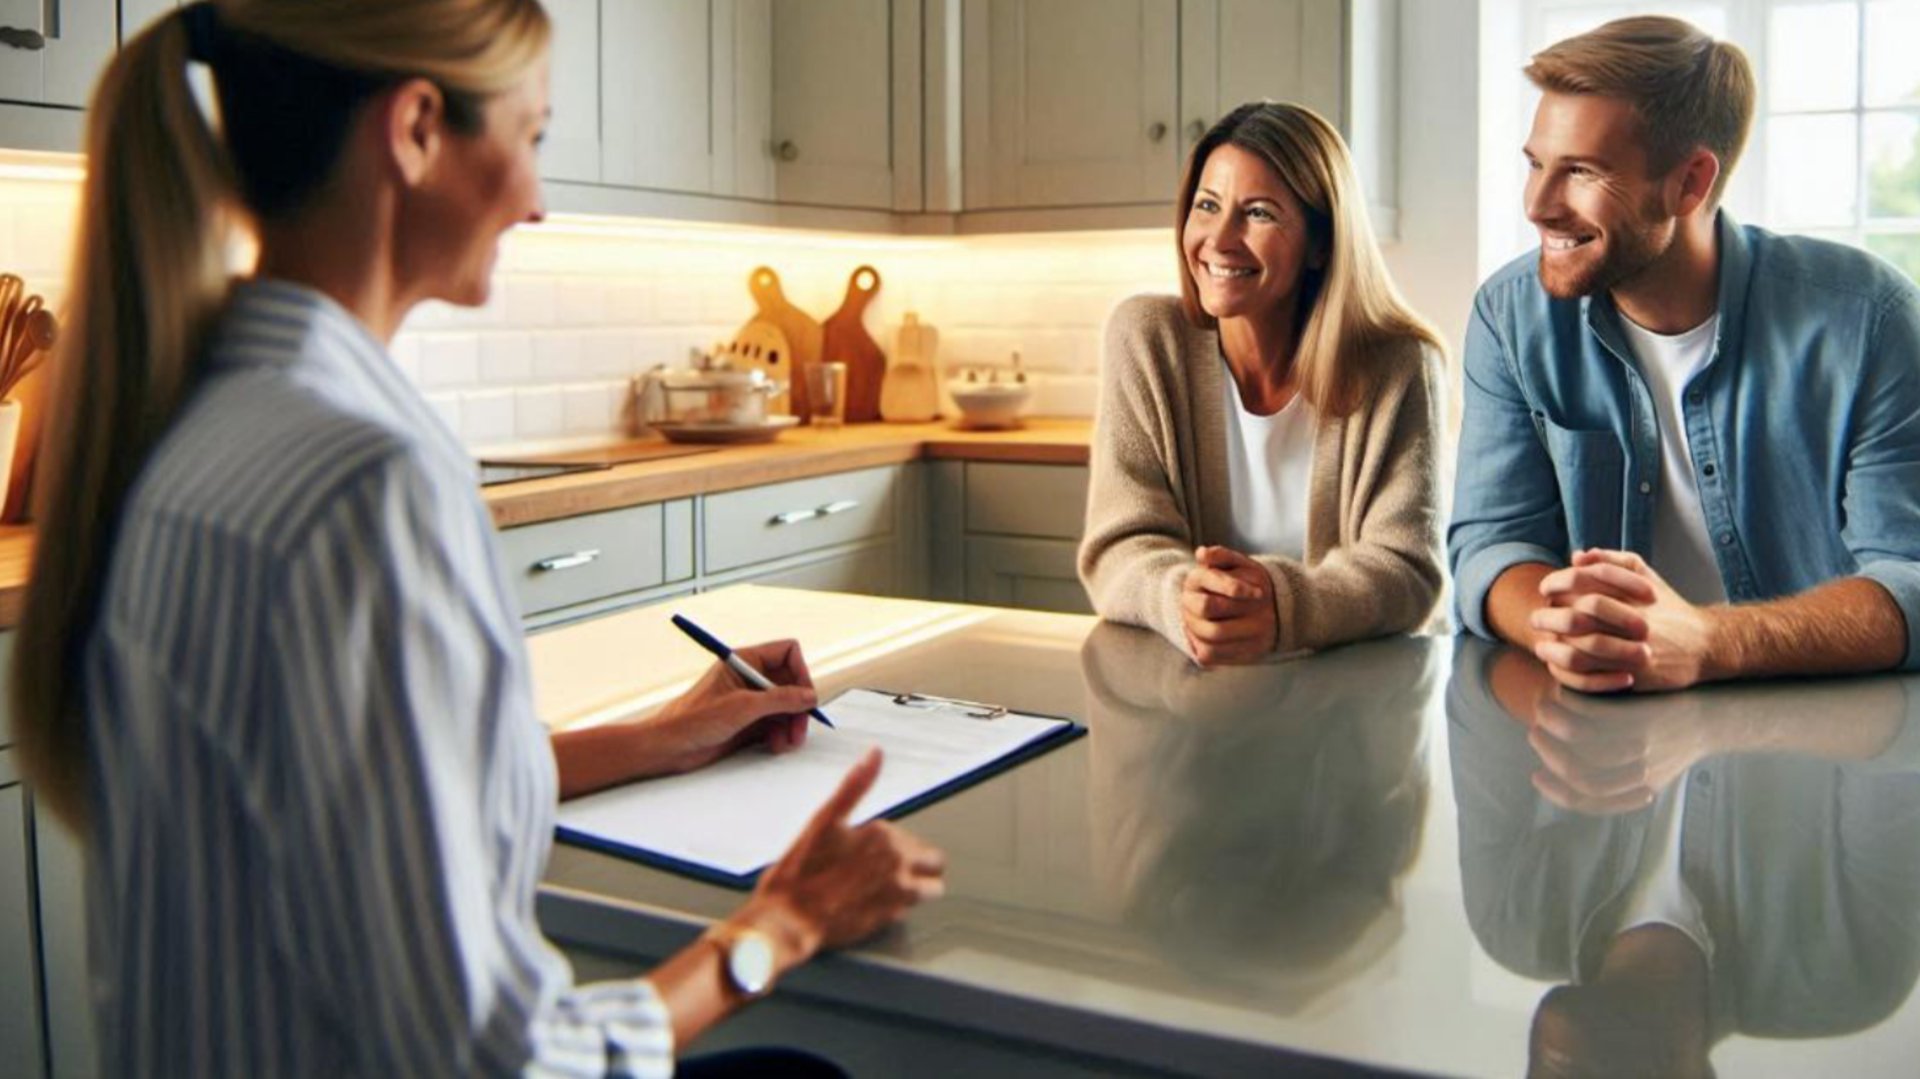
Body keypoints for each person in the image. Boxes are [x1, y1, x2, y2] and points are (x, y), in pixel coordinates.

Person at [7, 2, 943, 1075]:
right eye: (531, 136)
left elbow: (357, 805)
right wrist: (780, 925)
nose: (539, 201)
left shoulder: (180, 424)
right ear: (413, 130)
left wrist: (656, 737)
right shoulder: (366, 484)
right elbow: (509, 1056)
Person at [1448, 15, 1920, 694]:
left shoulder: (1869, 320)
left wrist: (1706, 641)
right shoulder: (1509, 316)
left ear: (1692, 182)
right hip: (1601, 739)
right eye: (1535, 164)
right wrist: (1559, 624)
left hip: (1821, 742)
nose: (1538, 205)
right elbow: (1492, 545)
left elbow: (1909, 579)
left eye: (1581, 171)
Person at [1077, 102, 1448, 666]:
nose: (1220, 240)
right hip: (1194, 695)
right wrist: (1183, 598)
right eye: (1207, 206)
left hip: (1356, 704)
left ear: (1321, 245)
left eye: (1258, 213)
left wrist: (1280, 607)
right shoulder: (1147, 338)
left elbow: (1407, 570)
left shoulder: (1399, 365)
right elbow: (1120, 546)